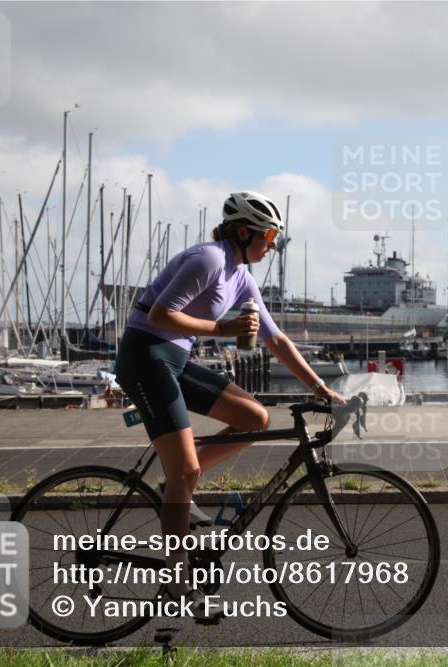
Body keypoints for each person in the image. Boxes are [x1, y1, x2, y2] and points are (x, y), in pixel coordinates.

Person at [114, 191, 345, 616]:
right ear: (245, 231)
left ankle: (176, 485)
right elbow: (160, 316)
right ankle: (177, 586)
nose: (273, 244)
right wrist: (223, 329)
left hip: (174, 357)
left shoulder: (240, 275)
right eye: (269, 235)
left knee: (254, 417)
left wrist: (320, 389)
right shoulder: (209, 260)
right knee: (186, 470)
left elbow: (275, 339)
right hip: (145, 354)